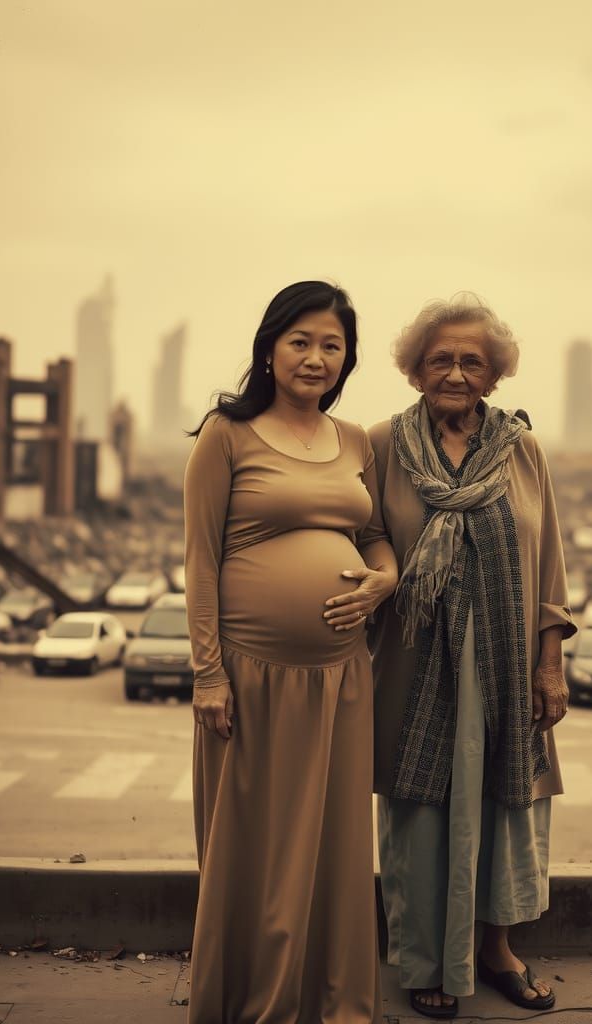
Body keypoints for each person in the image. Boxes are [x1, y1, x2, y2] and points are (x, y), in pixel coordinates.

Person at [182, 281, 398, 1024]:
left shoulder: (356, 442)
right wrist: (208, 674)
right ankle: (251, 1003)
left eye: (331, 345)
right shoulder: (227, 434)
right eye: (301, 341)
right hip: (249, 677)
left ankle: (333, 1001)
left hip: (341, 679)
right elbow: (200, 559)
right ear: (270, 348)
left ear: (347, 360)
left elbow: (374, 539)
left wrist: (383, 582)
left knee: (337, 846)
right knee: (254, 846)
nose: (315, 357)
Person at [366, 293, 577, 1018]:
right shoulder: (381, 446)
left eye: (472, 361)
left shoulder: (522, 450)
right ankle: (425, 960)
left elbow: (547, 560)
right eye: (440, 359)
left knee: (507, 810)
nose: (455, 372)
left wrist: (550, 666)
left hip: (507, 669)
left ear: (494, 376)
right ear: (415, 370)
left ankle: (497, 951)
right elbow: (359, 544)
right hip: (415, 664)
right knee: (419, 818)